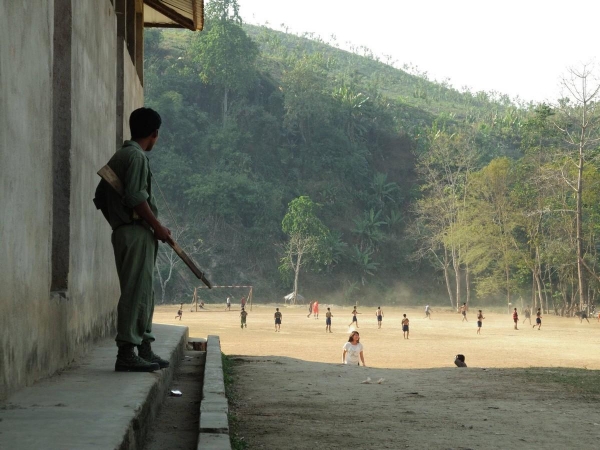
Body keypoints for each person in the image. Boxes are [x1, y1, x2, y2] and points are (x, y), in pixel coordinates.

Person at [94, 107, 172, 373]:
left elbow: (100, 197)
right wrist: (155, 226)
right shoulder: (135, 157)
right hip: (135, 231)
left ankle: (144, 348)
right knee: (135, 292)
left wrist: (119, 223)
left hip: (130, 231)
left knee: (143, 292)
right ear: (154, 133)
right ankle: (127, 352)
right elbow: (137, 197)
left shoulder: (122, 155)